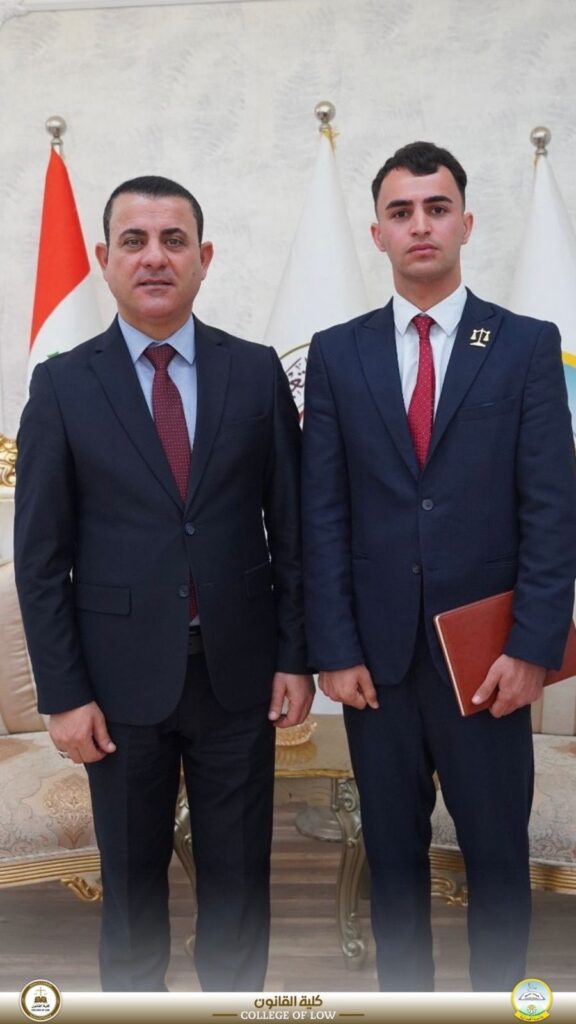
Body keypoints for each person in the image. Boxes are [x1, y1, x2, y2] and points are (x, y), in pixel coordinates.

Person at [14, 175, 314, 992]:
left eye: (173, 240)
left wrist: (296, 656)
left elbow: (291, 532)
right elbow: (39, 559)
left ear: (203, 257)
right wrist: (64, 694)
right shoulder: (63, 384)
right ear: (104, 259)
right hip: (115, 690)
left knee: (239, 893)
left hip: (239, 679)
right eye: (135, 241)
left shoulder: (253, 372)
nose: (155, 257)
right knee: (133, 901)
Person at [301, 141, 576, 991]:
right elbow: (322, 513)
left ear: (465, 222)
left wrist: (532, 648)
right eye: (401, 211)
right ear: (378, 233)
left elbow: (552, 510)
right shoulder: (337, 354)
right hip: (376, 667)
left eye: (436, 207)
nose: (420, 224)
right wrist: (333, 648)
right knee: (392, 865)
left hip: (488, 664)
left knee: (498, 863)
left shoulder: (526, 345)